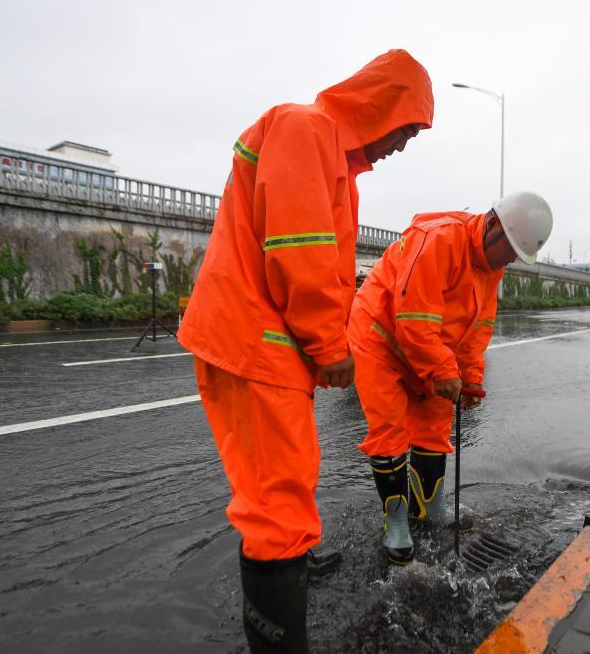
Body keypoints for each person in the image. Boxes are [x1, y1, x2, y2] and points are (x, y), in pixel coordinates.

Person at [177, 49, 433, 651]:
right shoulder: (306, 129)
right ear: (380, 104)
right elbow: (301, 248)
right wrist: (329, 346)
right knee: (276, 504)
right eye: (405, 127)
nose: (403, 144)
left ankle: (290, 562)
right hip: (255, 340)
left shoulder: (327, 152)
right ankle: (279, 619)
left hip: (258, 340)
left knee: (286, 482)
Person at [348, 192, 553, 563]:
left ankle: (428, 506)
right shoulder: (440, 239)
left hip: (428, 346)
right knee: (390, 431)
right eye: (507, 251)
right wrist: (442, 369)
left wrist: (470, 377)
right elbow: (412, 317)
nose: (506, 261)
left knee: (436, 423)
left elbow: (479, 327)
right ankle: (396, 521)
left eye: (515, 258)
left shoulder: (492, 269)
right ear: (492, 225)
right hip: (381, 339)